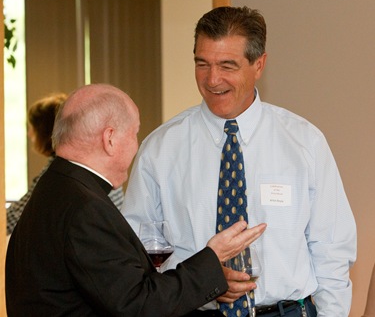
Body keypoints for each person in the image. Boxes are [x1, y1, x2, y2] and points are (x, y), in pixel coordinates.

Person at [122, 6, 357, 316]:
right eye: (202, 64)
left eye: (227, 65)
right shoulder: (160, 149)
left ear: (258, 65)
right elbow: (138, 252)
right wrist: (202, 281)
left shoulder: (305, 142)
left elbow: (331, 249)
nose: (212, 79)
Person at [5, 83, 267, 317]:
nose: (136, 145)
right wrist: (213, 257)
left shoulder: (55, 186)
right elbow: (138, 304)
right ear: (109, 139)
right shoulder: (86, 208)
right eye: (134, 134)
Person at [6, 92, 124, 236]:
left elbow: (13, 219)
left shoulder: (59, 171)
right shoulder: (98, 160)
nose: (29, 134)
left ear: (45, 131)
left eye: (32, 127)